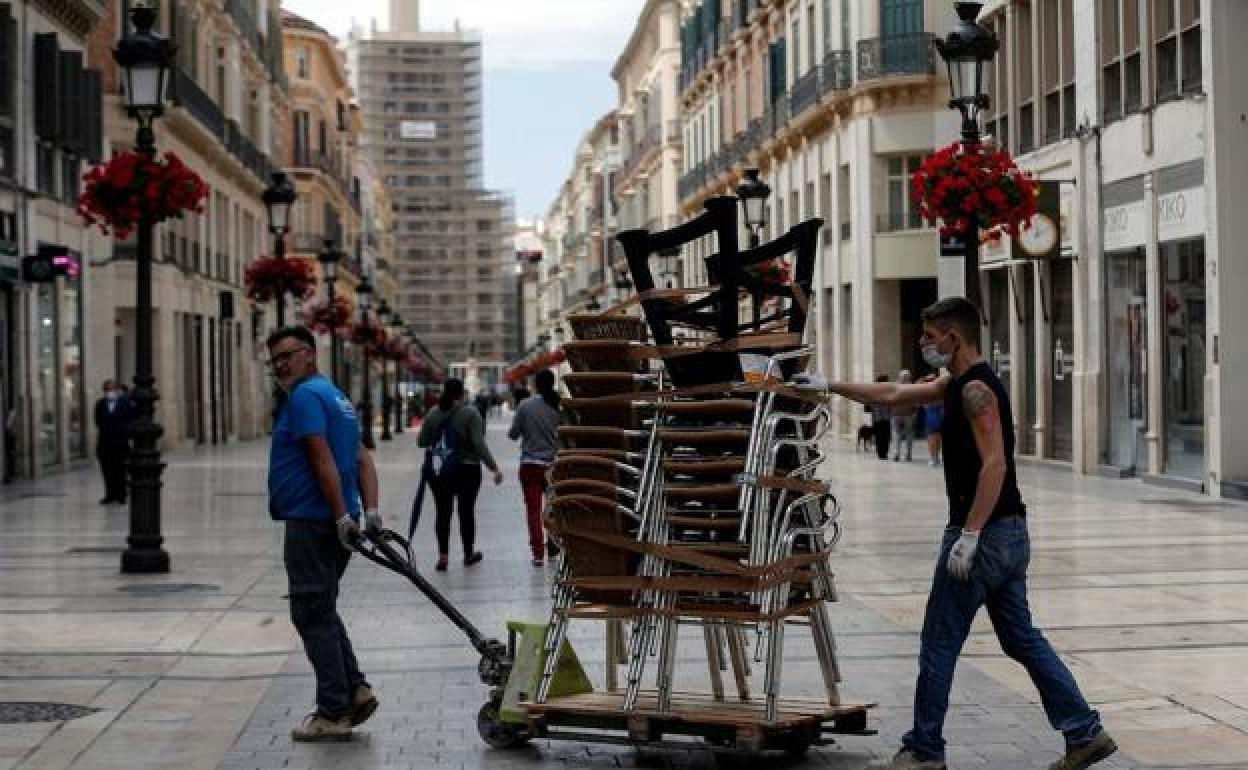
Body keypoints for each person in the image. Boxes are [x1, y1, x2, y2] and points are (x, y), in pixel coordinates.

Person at [805, 297, 1115, 770]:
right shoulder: (954, 384)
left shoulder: (975, 390)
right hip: (1009, 534)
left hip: (984, 536)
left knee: (939, 641)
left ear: (954, 337)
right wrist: (829, 385)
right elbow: (893, 395)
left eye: (930, 336)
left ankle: (924, 750)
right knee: (1021, 639)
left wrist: (969, 535)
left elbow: (996, 464)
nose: (923, 343)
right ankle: (1084, 732)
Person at [265, 326, 382, 743]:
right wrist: (369, 512)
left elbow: (321, 458)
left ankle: (333, 711)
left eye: (288, 355)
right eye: (275, 360)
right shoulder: (337, 397)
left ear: (310, 354)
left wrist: (338, 516)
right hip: (334, 520)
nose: (281, 365)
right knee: (323, 608)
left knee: (310, 612)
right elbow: (361, 458)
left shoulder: (304, 397)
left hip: (313, 520)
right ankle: (356, 689)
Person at [417, 378, 503, 571]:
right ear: (462, 393)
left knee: (442, 512)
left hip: (442, 470)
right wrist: (494, 467)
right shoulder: (471, 413)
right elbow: (478, 443)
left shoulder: (433, 413)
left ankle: (443, 556)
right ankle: (468, 553)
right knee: (466, 512)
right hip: (468, 470)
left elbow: (421, 441)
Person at [508, 370, 562, 566]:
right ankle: (553, 547)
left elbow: (513, 434)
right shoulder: (559, 405)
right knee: (553, 508)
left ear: (536, 385)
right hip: (554, 467)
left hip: (530, 465)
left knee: (533, 511)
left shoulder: (525, 406)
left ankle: (538, 553)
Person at [94, 379, 132, 505]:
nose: (108, 392)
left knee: (121, 471)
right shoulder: (100, 404)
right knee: (107, 471)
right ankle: (110, 495)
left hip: (121, 443)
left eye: (111, 389)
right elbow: (98, 421)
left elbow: (130, 419)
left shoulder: (125, 403)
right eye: (106, 390)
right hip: (105, 444)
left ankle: (121, 495)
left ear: (116, 390)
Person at [892, 369, 916, 462]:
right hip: (908, 413)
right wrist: (915, 411)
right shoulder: (912, 387)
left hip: (896, 413)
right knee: (909, 434)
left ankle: (896, 453)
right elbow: (916, 400)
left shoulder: (895, 385)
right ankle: (908, 454)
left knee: (896, 433)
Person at [869, 375, 892, 461]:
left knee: (881, 436)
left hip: (879, 418)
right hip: (882, 418)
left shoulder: (874, 391)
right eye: (886, 381)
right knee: (883, 436)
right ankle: (883, 453)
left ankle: (881, 452)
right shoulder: (885, 391)